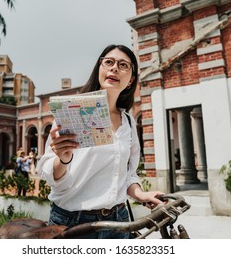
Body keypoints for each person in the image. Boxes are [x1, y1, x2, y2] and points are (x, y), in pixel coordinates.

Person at [37, 44, 164, 239]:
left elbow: (128, 174)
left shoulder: (128, 122)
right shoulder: (74, 111)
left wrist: (140, 194)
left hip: (119, 221)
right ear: (99, 69)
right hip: (74, 223)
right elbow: (46, 171)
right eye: (109, 62)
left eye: (123, 65)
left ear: (130, 80)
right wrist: (62, 160)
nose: (114, 68)